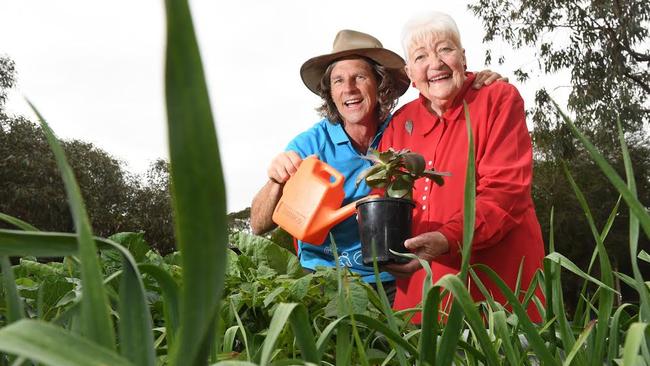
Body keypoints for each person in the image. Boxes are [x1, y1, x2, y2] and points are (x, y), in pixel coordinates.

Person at [250, 29, 504, 302]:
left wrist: (475, 83)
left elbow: (444, 102)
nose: (349, 88)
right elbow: (258, 224)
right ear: (330, 94)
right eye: (338, 81)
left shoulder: (403, 130)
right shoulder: (311, 145)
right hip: (324, 279)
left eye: (359, 77)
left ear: (380, 84)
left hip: (394, 278)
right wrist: (276, 181)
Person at [380, 12, 546, 322]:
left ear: (463, 57)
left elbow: (505, 193)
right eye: (420, 56)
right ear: (410, 73)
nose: (436, 63)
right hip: (423, 299)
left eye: (445, 49)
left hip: (497, 292)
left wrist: (446, 238)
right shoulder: (400, 124)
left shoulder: (496, 99)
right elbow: (384, 196)